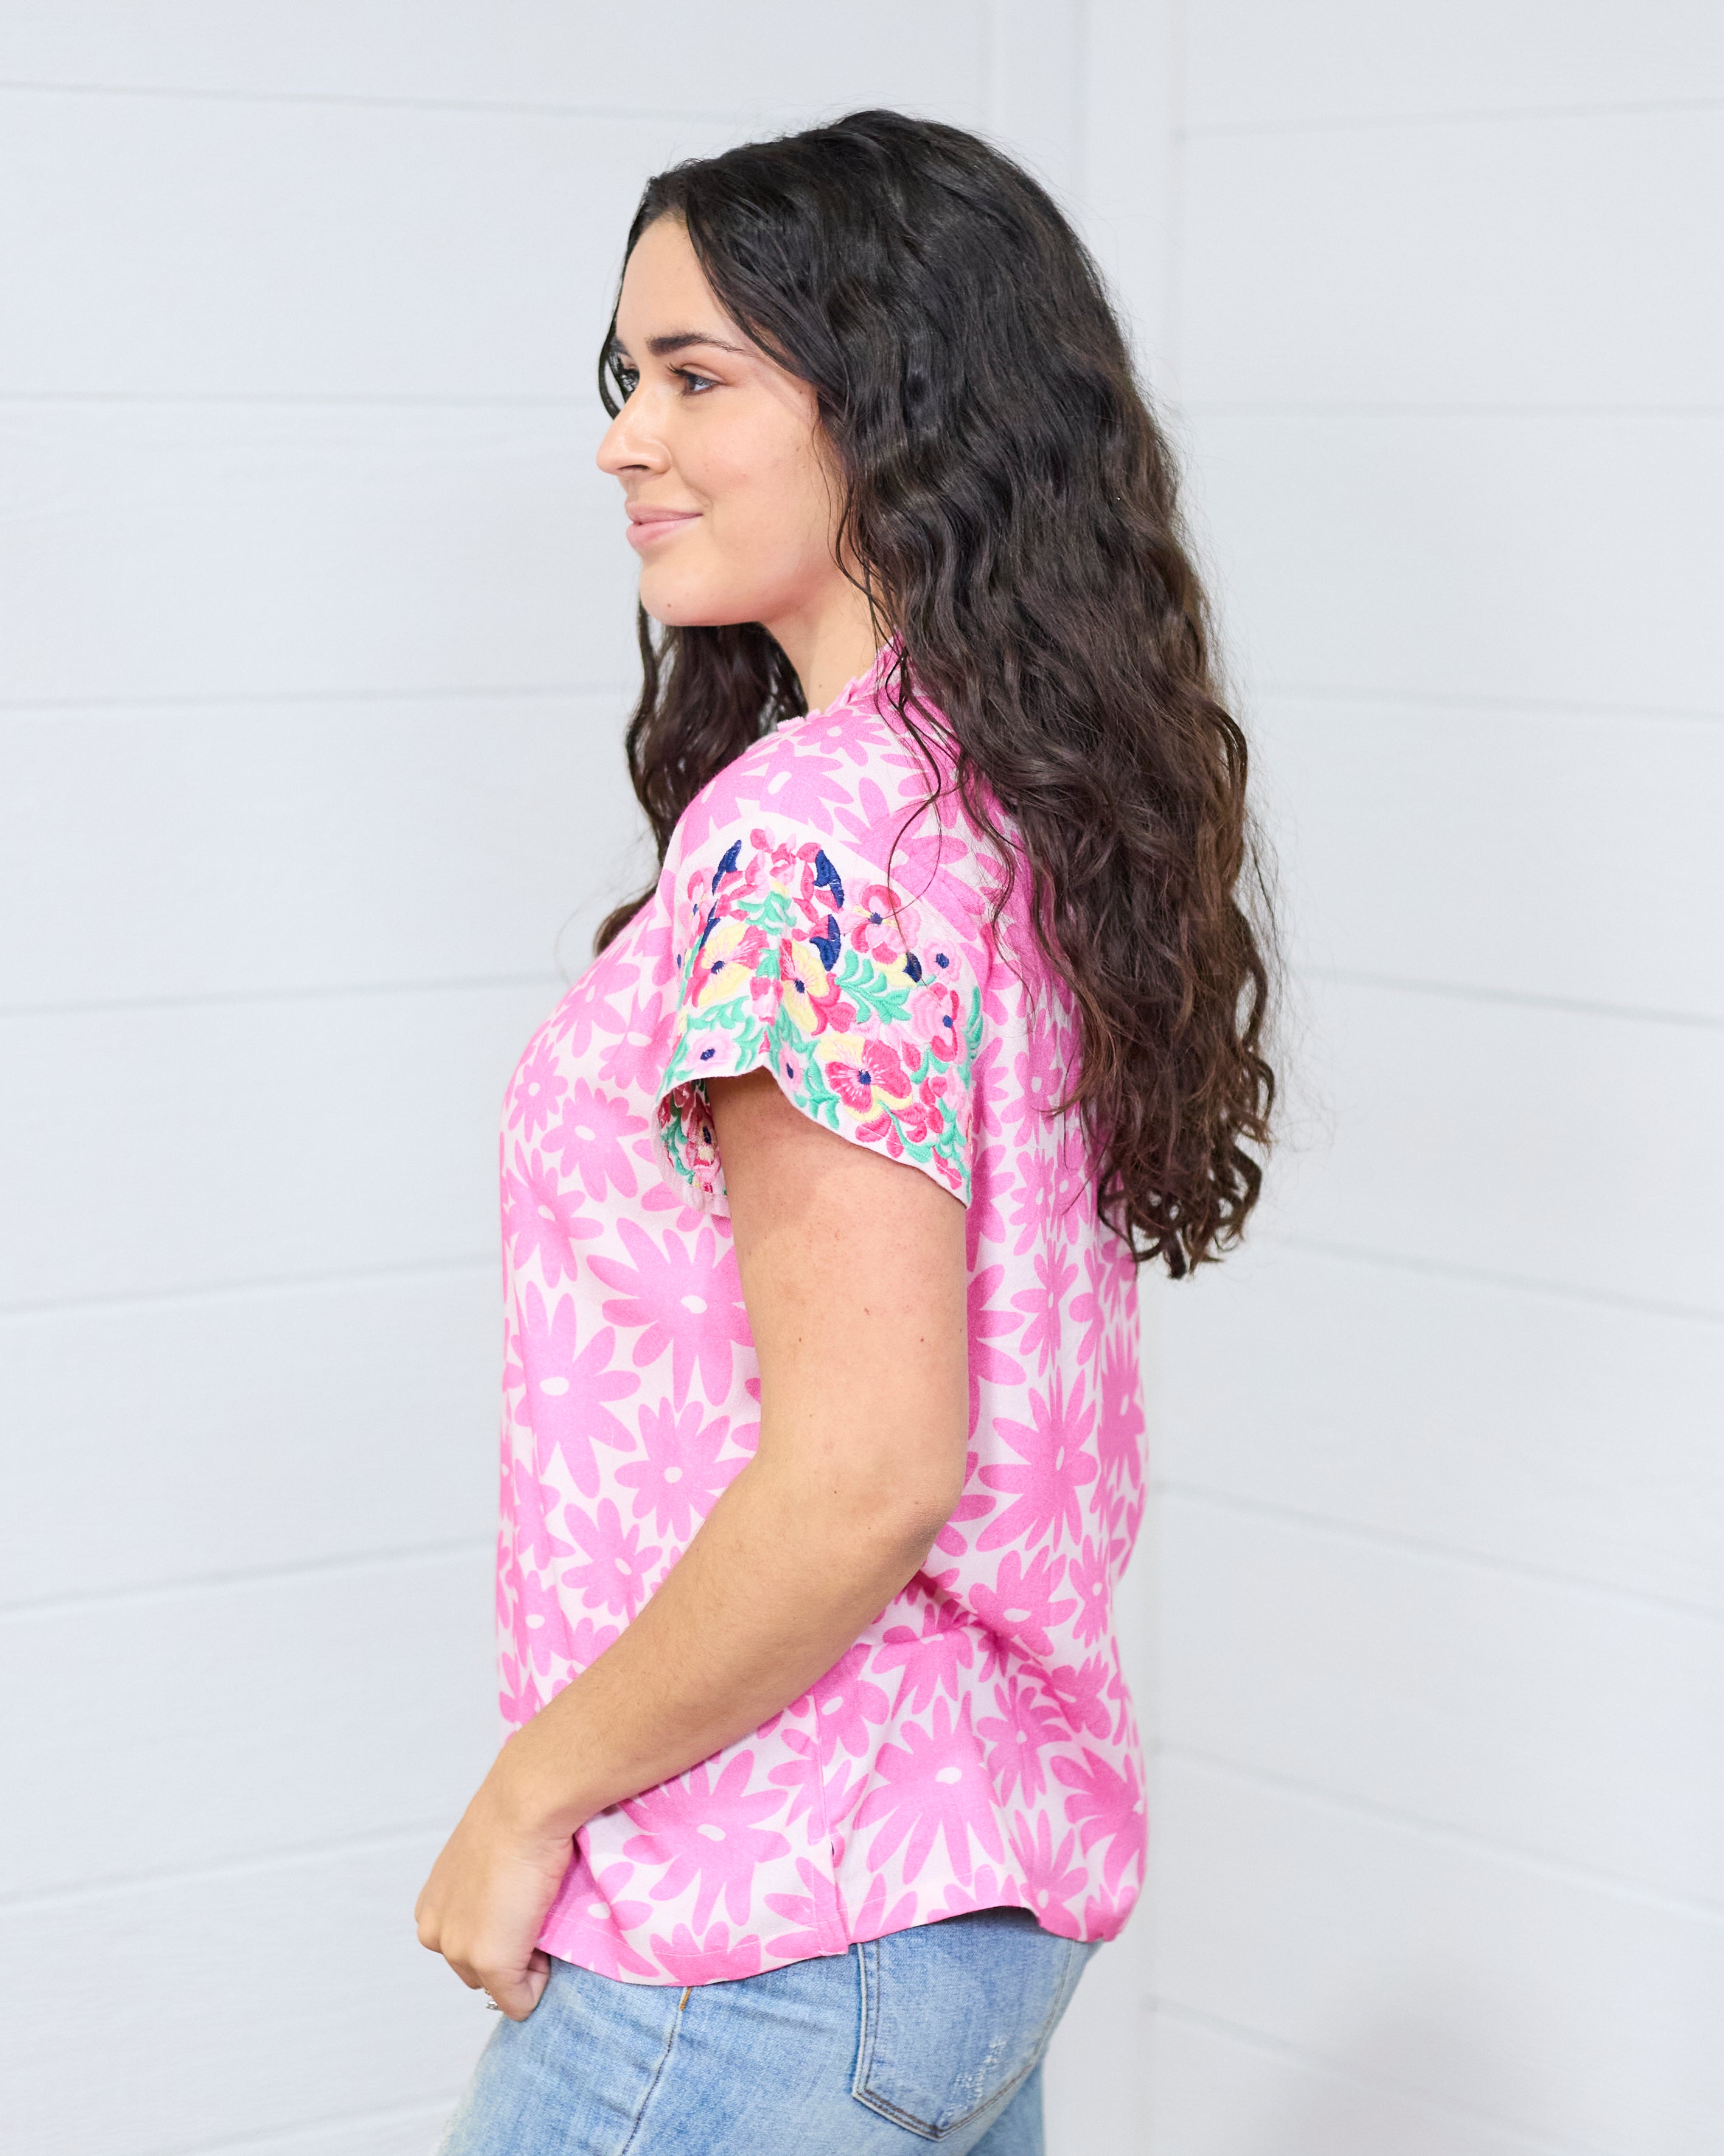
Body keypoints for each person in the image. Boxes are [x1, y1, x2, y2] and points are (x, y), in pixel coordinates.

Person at [414, 108, 1276, 2155]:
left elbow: (870, 1467)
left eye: (698, 376)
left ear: (897, 399)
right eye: (624, 379)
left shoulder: (808, 841)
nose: (628, 437)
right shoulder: (992, 803)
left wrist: (529, 1794)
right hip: (957, 1914)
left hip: (754, 1950)